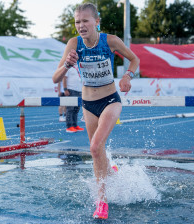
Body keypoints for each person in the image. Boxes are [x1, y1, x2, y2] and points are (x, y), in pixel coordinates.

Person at [52, 3, 139, 220]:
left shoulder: (110, 40)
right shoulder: (74, 44)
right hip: (88, 104)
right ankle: (110, 172)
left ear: (96, 22)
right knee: (97, 152)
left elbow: (134, 59)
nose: (81, 26)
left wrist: (127, 76)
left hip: (110, 100)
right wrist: (67, 65)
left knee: (94, 146)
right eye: (77, 22)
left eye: (85, 21)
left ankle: (102, 201)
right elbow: (55, 77)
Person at [63, 65, 84, 133]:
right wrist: (65, 89)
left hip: (79, 90)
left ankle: (75, 125)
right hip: (71, 90)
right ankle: (69, 126)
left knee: (76, 109)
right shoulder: (68, 67)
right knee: (70, 109)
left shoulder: (79, 67)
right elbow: (64, 78)